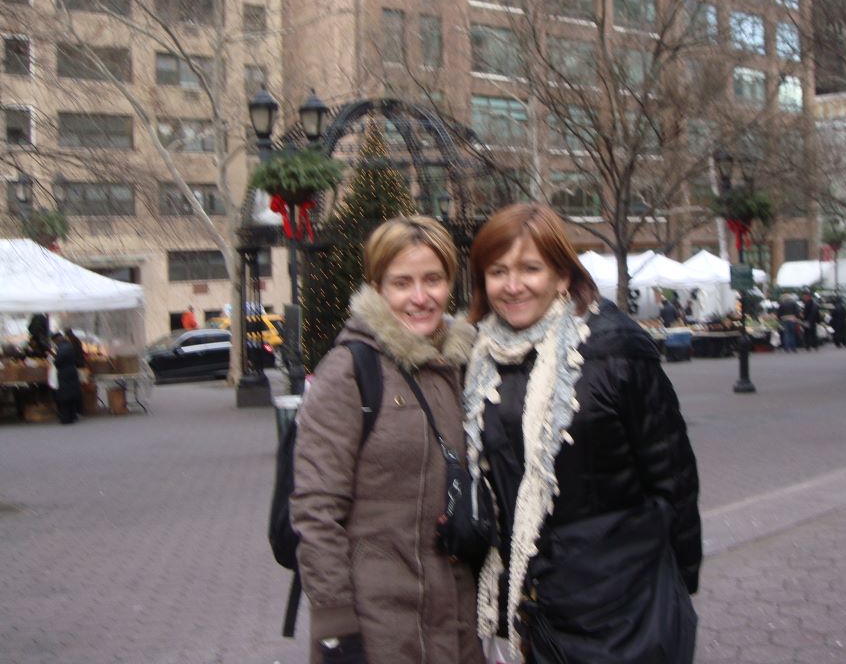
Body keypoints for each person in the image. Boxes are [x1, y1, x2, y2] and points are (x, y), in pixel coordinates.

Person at [463, 204, 701, 664]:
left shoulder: (616, 351)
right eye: (498, 271)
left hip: (621, 608)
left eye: (530, 268)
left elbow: (673, 478)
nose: (513, 286)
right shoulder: (477, 361)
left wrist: (675, 588)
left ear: (562, 275)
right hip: (529, 607)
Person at [290, 216, 483, 664]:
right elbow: (316, 511)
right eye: (402, 283)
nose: (420, 297)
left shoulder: (460, 364)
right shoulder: (350, 372)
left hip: (455, 620)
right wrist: (337, 631)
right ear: (377, 287)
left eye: (433, 279)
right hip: (379, 627)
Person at [51, 332, 82, 425]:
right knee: (72, 394)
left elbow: (57, 362)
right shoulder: (69, 345)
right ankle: (73, 415)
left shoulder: (61, 348)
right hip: (72, 371)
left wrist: (55, 361)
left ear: (57, 340)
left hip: (64, 373)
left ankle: (66, 417)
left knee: (65, 396)